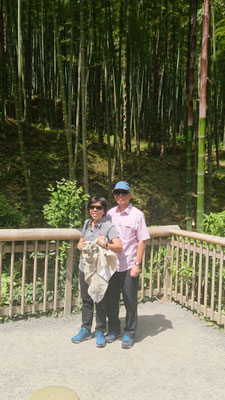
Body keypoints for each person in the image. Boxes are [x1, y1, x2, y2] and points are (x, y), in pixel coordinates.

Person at [71, 196, 122, 348]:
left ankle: (100, 330)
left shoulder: (108, 226)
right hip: (84, 268)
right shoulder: (87, 224)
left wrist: (105, 243)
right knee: (86, 300)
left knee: (99, 300)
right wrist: (79, 245)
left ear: (104, 210)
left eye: (98, 207)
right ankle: (85, 329)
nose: (95, 210)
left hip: (99, 270)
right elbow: (80, 241)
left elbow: (119, 247)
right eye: (92, 207)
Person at [105, 181, 150, 349]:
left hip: (130, 264)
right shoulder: (110, 214)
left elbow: (142, 241)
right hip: (112, 265)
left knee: (130, 300)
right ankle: (114, 329)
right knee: (112, 299)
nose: (120, 196)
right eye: (117, 193)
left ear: (130, 195)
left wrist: (137, 264)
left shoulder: (137, 215)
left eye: (123, 193)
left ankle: (129, 332)